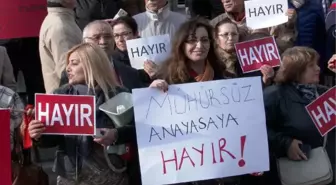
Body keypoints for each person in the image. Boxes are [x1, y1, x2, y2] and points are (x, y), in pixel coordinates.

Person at [27, 43, 136, 185]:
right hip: (70, 176)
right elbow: (52, 140)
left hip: (110, 175)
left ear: (92, 65)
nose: (68, 68)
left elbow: (137, 131)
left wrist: (115, 135)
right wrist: (38, 135)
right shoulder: (60, 95)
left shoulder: (119, 95)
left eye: (74, 63)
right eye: (68, 64)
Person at [150, 18, 240, 185]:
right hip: (185, 169)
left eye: (204, 40)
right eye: (192, 40)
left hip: (223, 166)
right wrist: (152, 95)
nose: (199, 45)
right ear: (181, 44)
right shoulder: (167, 80)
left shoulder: (227, 79)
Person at [263, 46, 336, 184]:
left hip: (329, 171)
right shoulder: (274, 95)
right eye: (311, 65)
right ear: (296, 70)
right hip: (294, 173)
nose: (318, 69)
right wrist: (285, 143)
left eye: (317, 64)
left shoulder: (324, 93)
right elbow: (259, 129)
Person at [60, 20, 147, 90]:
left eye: (108, 36)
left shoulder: (131, 73)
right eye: (96, 37)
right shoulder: (71, 73)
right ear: (84, 42)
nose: (103, 42)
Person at [210, 0, 297, 52]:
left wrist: (289, 25)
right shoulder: (214, 24)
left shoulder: (268, 14)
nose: (225, 0)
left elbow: (286, 46)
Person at [214, 19, 275, 86]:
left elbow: (253, 85)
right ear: (216, 39)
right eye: (225, 34)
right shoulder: (212, 60)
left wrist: (265, 79)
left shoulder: (250, 57)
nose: (230, 38)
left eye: (234, 34)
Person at [39, 0, 82, 94]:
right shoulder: (61, 26)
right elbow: (68, 71)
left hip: (64, 97)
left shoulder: (59, 21)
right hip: (67, 99)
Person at [110, 16, 156, 84]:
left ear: (136, 34)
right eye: (116, 35)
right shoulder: (111, 59)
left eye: (125, 34)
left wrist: (156, 76)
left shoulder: (152, 54)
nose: (120, 40)